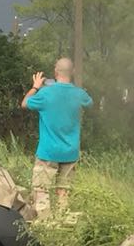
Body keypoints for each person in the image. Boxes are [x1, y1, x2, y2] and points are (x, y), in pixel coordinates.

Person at [21, 58, 92, 215]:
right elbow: (89, 103)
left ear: (55, 72)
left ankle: (45, 227)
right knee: (64, 191)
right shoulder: (79, 94)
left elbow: (24, 103)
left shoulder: (45, 93)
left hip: (48, 152)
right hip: (70, 152)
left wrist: (35, 87)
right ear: (72, 72)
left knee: (41, 191)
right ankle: (63, 224)